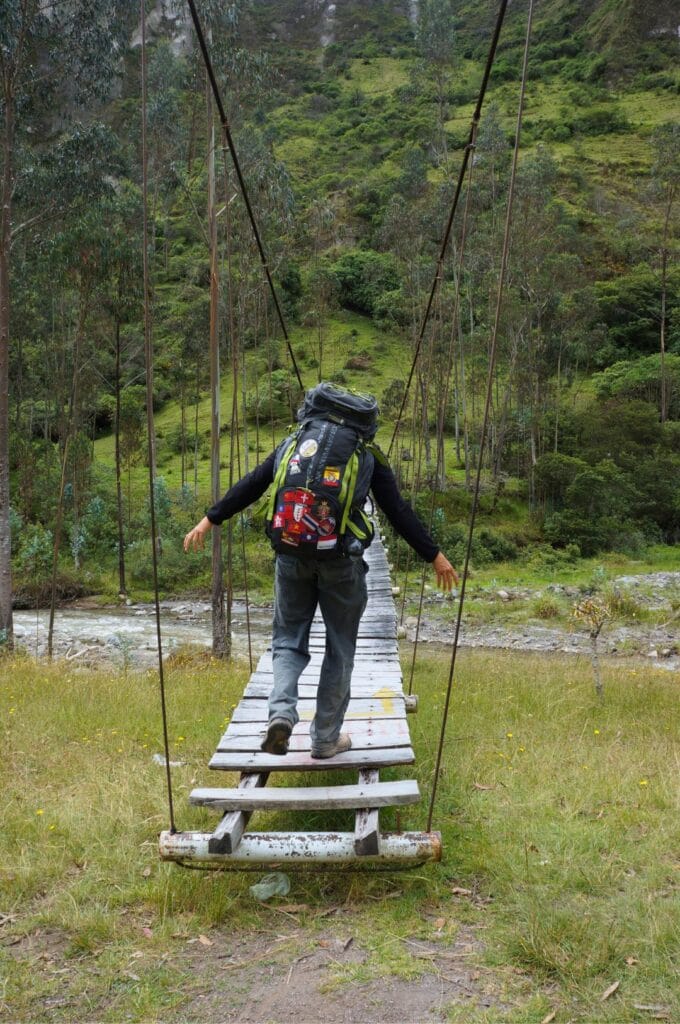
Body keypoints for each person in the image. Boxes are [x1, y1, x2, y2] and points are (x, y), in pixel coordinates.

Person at [184, 385, 458, 759]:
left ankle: (280, 714)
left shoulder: (294, 444)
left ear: (313, 411)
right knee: (339, 647)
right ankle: (326, 739)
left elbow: (253, 483)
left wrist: (209, 519)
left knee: (287, 640)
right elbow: (398, 511)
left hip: (291, 557)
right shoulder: (366, 455)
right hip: (341, 563)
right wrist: (434, 555)